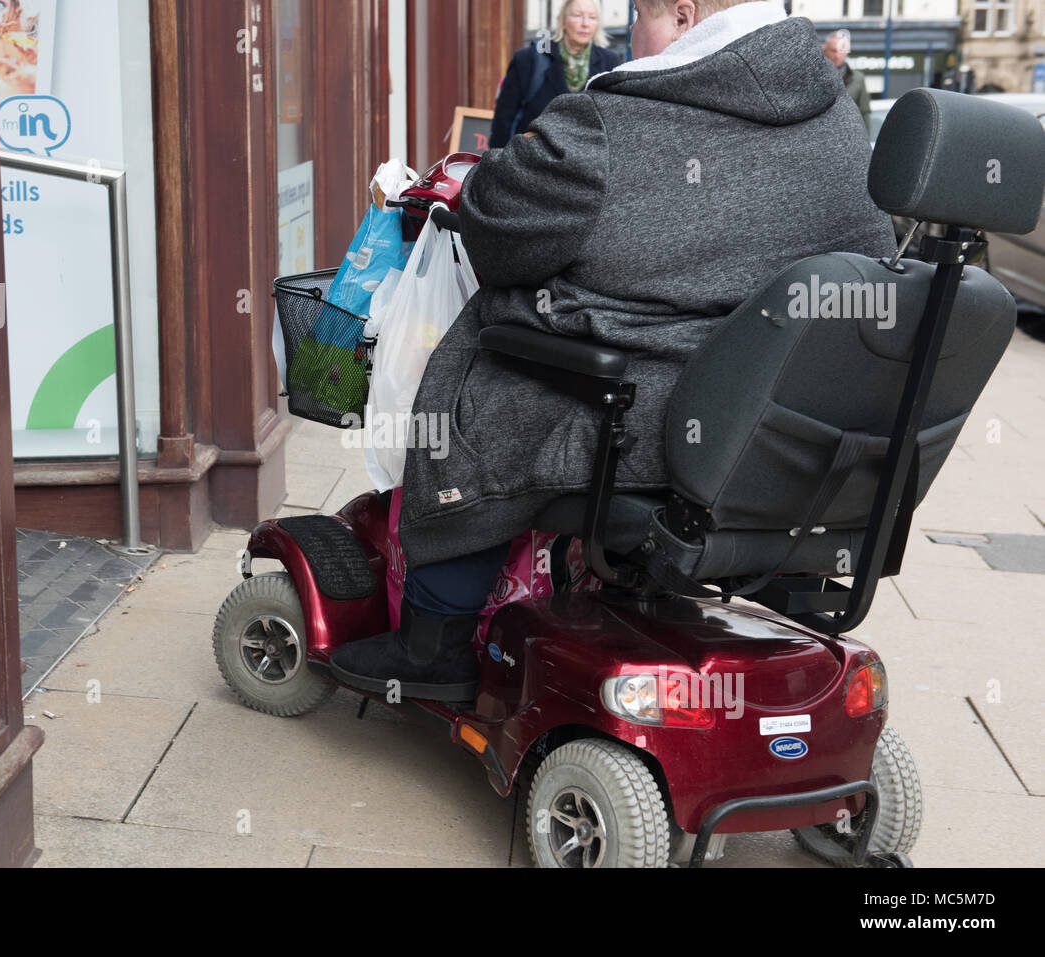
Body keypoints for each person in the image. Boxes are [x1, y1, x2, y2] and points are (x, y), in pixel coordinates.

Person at [330, 0, 897, 701]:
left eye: (636, 16)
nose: (626, 38)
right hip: (789, 442)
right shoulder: (839, 122)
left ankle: (435, 639)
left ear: (683, 15)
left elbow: (495, 227)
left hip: (636, 430)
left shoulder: (610, 125)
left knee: (489, 351)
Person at [489, 0, 621, 150]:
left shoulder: (609, 61)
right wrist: (499, 162)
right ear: (563, 20)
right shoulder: (530, 58)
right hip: (533, 159)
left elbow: (612, 121)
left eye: (592, 17)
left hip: (585, 162)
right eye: (578, 15)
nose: (585, 23)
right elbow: (504, 119)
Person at [824, 28, 870, 125]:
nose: (837, 55)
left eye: (841, 50)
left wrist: (866, 139)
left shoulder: (858, 78)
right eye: (833, 51)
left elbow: (864, 112)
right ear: (826, 50)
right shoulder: (818, 76)